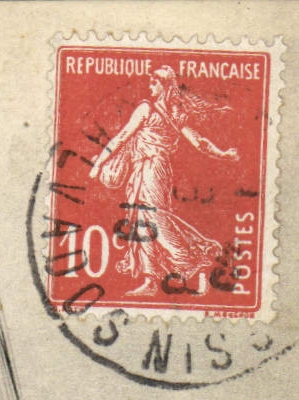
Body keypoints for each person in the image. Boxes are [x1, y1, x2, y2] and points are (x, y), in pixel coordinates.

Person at [87, 67, 239, 296]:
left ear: (164, 86)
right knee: (141, 219)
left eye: (154, 82)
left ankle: (187, 258)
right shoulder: (176, 114)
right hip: (149, 169)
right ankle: (150, 280)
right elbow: (200, 142)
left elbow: (122, 137)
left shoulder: (147, 108)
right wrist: (223, 154)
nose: (150, 86)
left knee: (153, 216)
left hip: (151, 168)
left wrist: (99, 163)